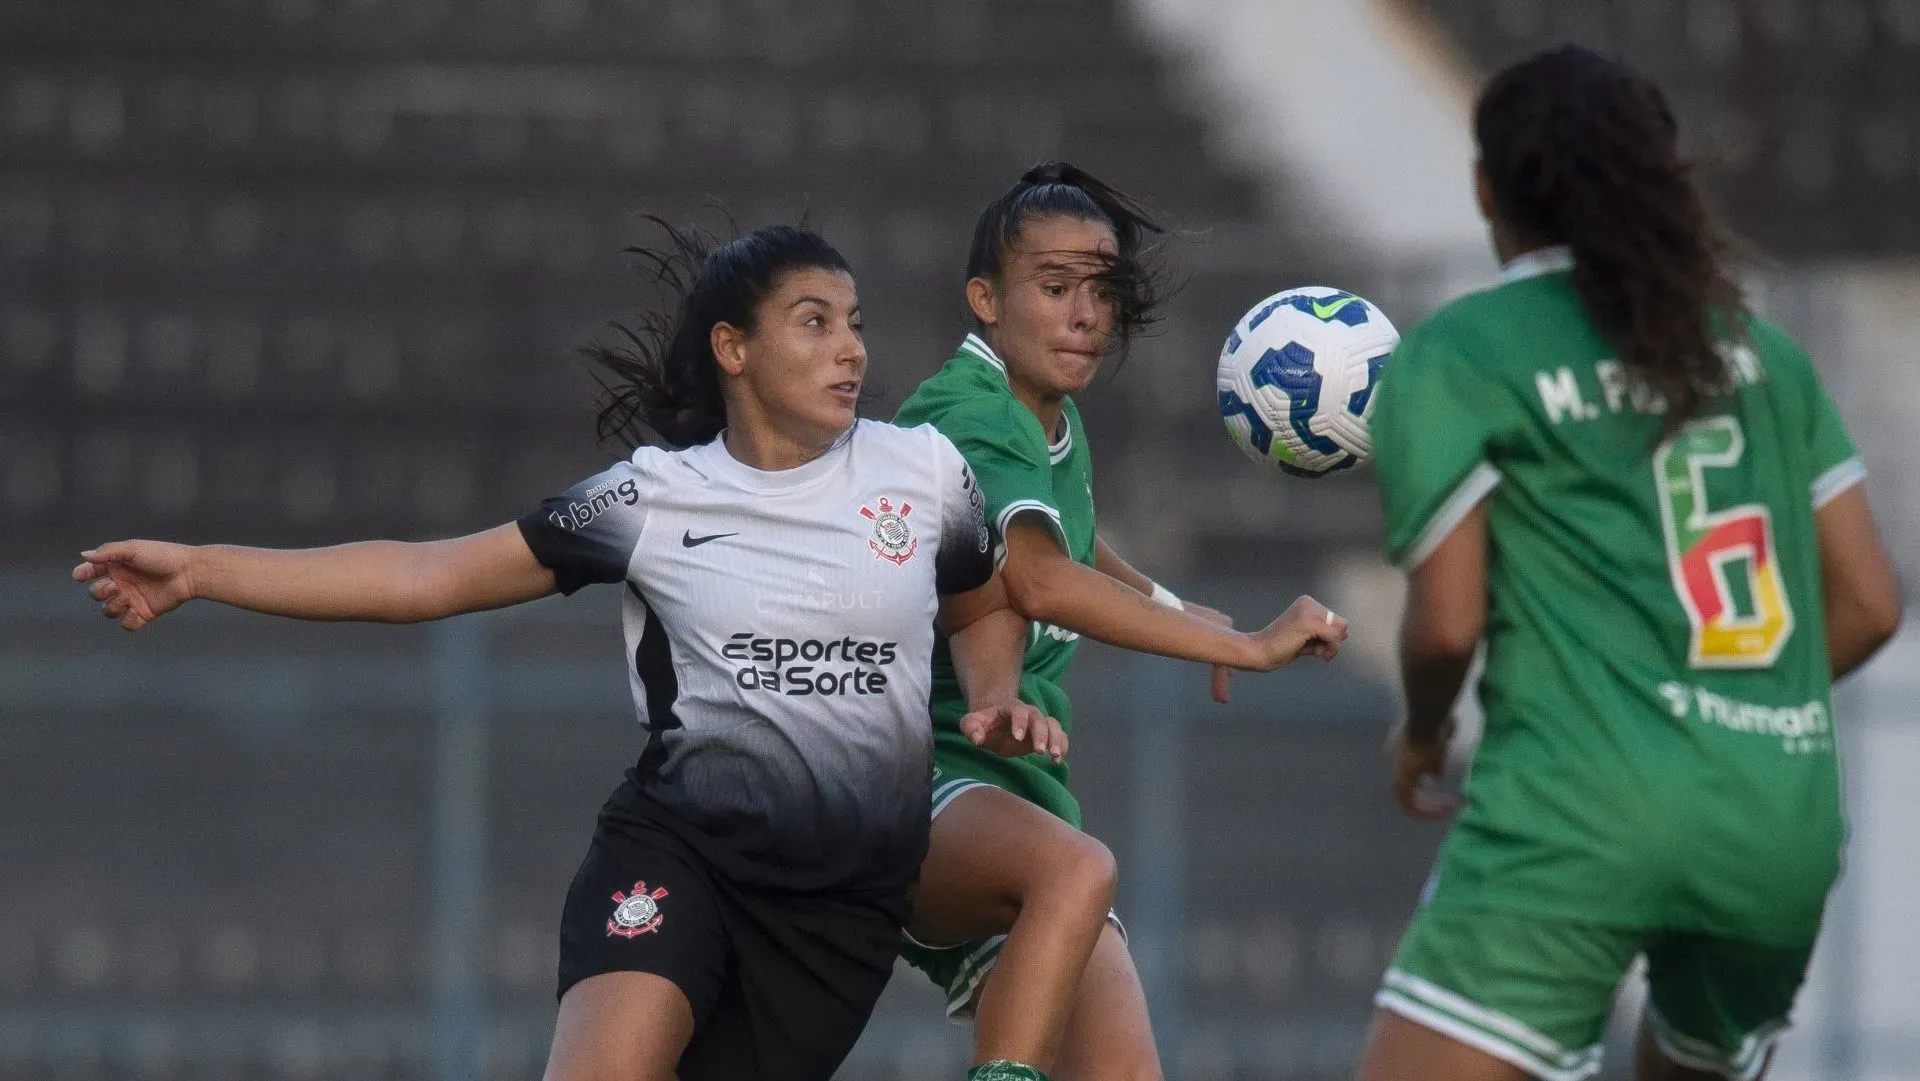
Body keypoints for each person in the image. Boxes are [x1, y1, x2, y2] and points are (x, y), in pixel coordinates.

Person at [73, 222, 1073, 1081]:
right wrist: (203, 568)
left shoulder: (921, 472)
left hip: (840, 907)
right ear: (734, 347)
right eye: (815, 321)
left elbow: (982, 603)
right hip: (684, 854)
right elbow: (427, 577)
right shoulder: (649, 498)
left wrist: (992, 692)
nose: (850, 348)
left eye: (855, 322)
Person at [1356, 45, 1903, 1081]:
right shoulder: (1764, 355)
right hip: (1774, 812)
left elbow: (1446, 623)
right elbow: (1871, 602)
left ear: (1487, 186)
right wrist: (1717, 710)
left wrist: (1423, 731)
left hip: (1582, 803)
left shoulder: (1465, 350)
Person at [894, 162, 1352, 1081]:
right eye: (1054, 288)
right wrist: (1244, 646)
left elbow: (1073, 542)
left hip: (1014, 797)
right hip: (919, 784)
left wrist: (1172, 607)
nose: (1084, 314)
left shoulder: (1044, 418)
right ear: (985, 297)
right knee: (1076, 870)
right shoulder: (971, 410)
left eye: (1102, 291)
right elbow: (1040, 579)